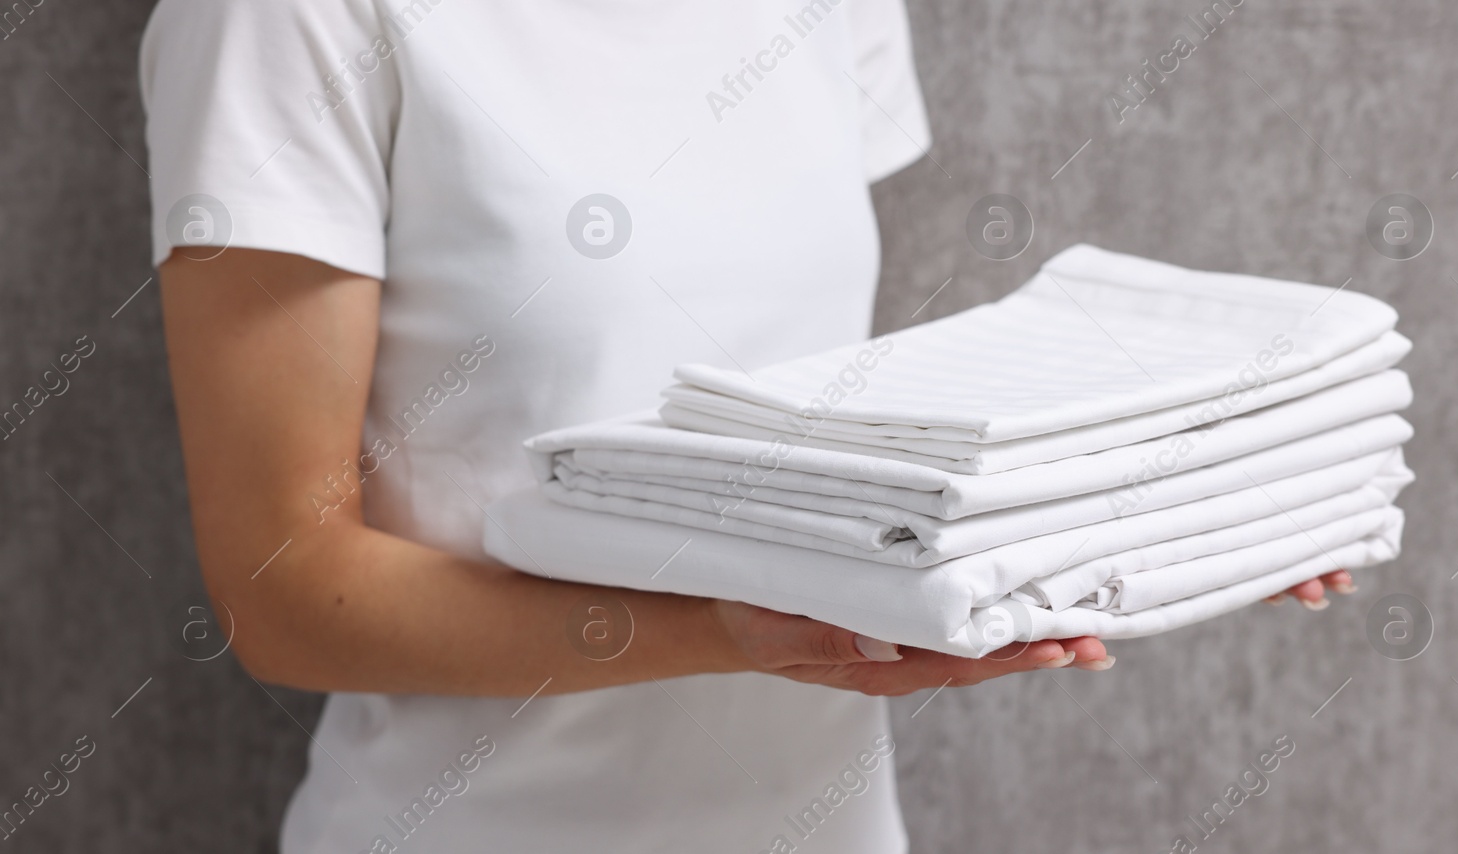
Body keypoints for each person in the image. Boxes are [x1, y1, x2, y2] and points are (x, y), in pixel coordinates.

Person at [142, 1, 1352, 850]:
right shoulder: (281, 18)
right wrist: (732, 623)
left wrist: (1185, 507)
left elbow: (828, 426)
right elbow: (284, 588)